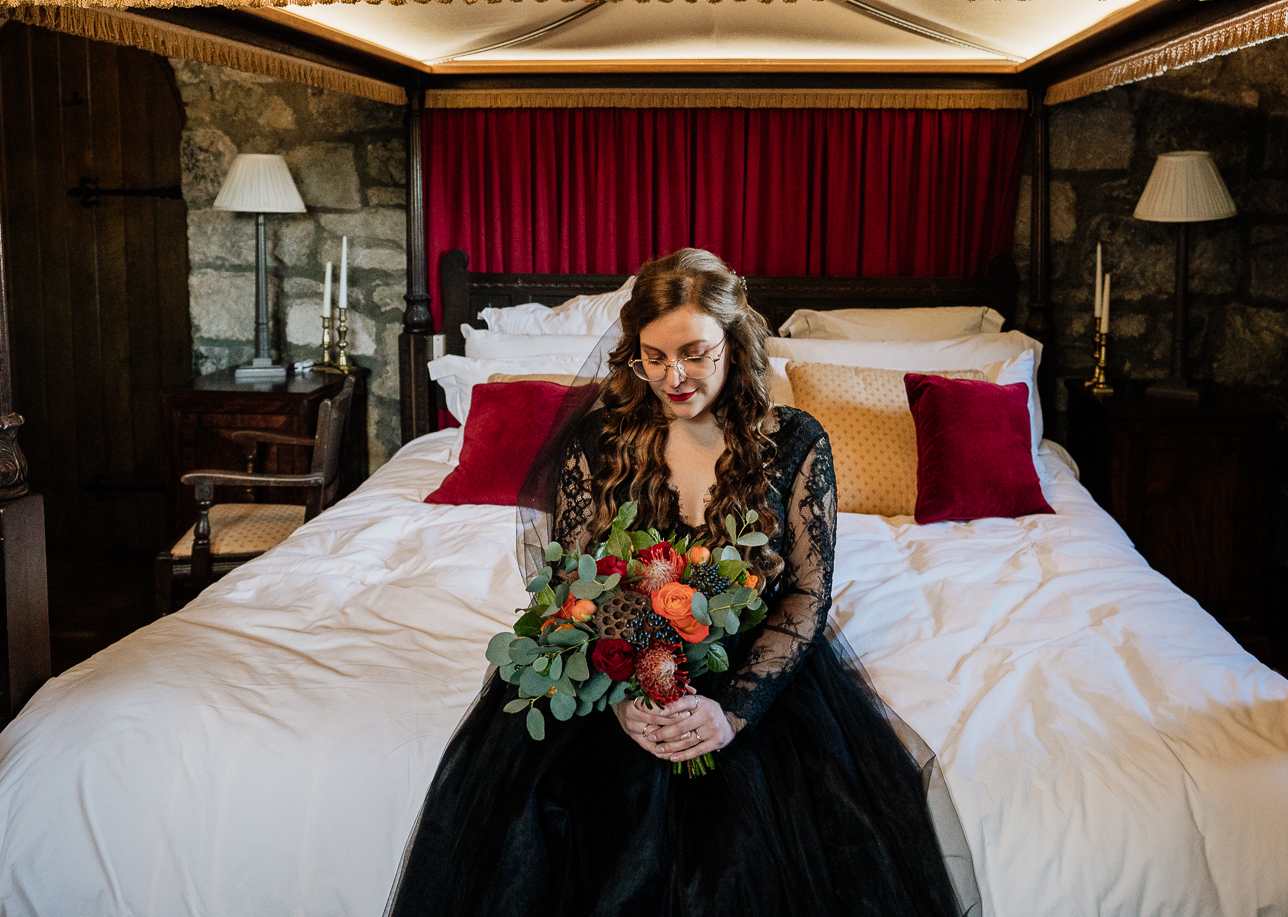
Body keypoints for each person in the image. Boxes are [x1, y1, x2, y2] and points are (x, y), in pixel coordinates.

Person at [388, 249, 971, 917]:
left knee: (750, 835)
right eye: (653, 357)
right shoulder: (598, 443)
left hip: (749, 660)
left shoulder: (795, 440)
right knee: (556, 815)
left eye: (695, 353)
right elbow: (573, 586)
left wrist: (731, 715)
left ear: (735, 340)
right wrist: (613, 695)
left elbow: (808, 592)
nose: (674, 377)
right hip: (616, 665)